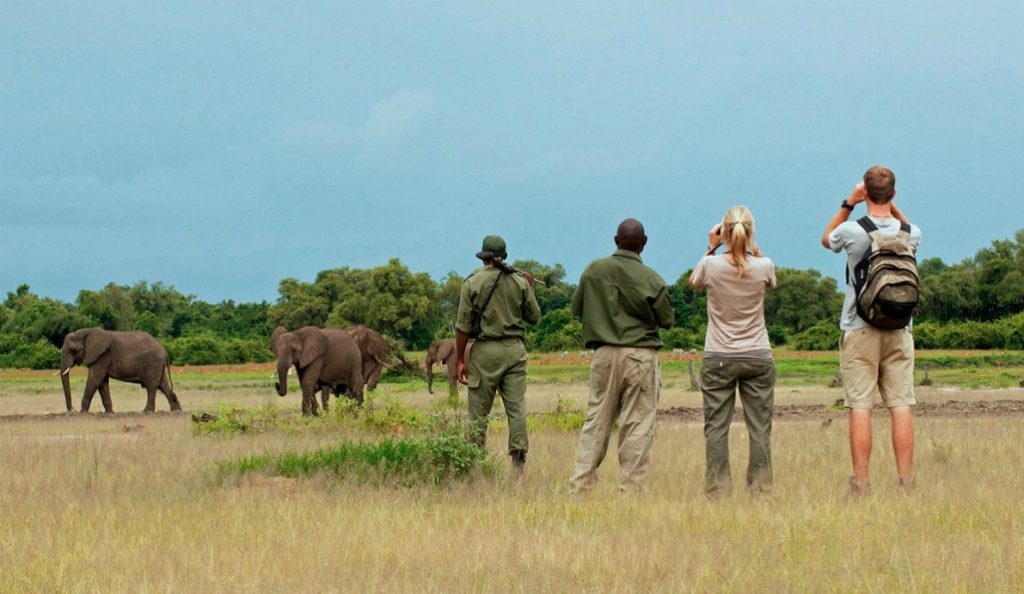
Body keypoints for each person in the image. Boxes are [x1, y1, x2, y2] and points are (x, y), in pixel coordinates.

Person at [821, 165, 921, 494]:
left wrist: (850, 203)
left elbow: (827, 239)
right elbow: (903, 224)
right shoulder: (911, 233)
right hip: (900, 329)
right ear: (893, 194)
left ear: (864, 191)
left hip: (859, 327)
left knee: (860, 406)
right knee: (901, 405)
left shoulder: (852, 231)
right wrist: (888, 205)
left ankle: (861, 483)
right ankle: (906, 482)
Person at [568, 219, 674, 494]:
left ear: (616, 240)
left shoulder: (594, 270)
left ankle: (580, 488)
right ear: (645, 243)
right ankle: (631, 493)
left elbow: (576, 308)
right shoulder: (652, 278)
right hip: (640, 355)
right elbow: (666, 320)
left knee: (596, 421)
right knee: (637, 426)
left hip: (603, 354)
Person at [689, 206, 777, 497]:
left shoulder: (711, 265)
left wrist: (711, 247)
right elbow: (770, 280)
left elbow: (693, 283)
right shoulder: (764, 266)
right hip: (758, 354)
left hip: (719, 355)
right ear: (750, 232)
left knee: (716, 427)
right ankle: (761, 489)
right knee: (760, 427)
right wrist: (752, 248)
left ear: (724, 232)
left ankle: (717, 490)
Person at [455, 235, 540, 471]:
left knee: (478, 412)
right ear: (504, 255)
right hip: (515, 351)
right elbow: (534, 317)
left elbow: (462, 327)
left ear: (483, 256)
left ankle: (474, 465)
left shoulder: (471, 283)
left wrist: (461, 359)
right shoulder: (520, 281)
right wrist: (531, 289)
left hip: (485, 352)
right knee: (516, 409)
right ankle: (518, 464)